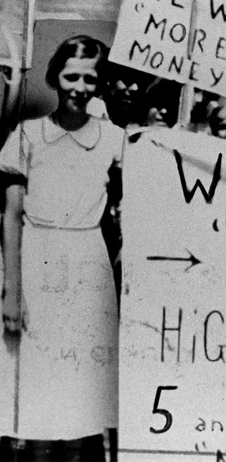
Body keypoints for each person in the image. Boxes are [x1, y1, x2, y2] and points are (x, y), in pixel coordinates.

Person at [0, 35, 123, 461]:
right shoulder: (28, 135)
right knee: (36, 397)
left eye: (90, 79)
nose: (79, 87)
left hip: (88, 268)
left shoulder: (114, 139)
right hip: (38, 262)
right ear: (56, 76)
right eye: (71, 76)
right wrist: (12, 290)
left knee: (79, 399)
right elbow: (11, 217)